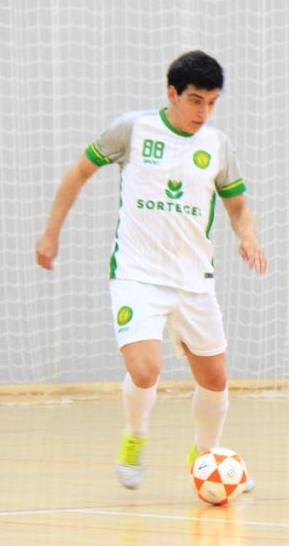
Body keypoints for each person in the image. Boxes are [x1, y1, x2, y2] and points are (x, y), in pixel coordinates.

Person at [35, 50, 266, 490]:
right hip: (138, 275)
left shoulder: (217, 145)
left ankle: (205, 456)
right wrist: (51, 234)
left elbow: (237, 206)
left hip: (194, 280)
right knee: (145, 370)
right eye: (196, 100)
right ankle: (134, 438)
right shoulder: (134, 129)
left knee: (215, 378)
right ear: (172, 93)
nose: (204, 111)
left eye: (212, 102)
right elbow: (77, 174)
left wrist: (248, 236)